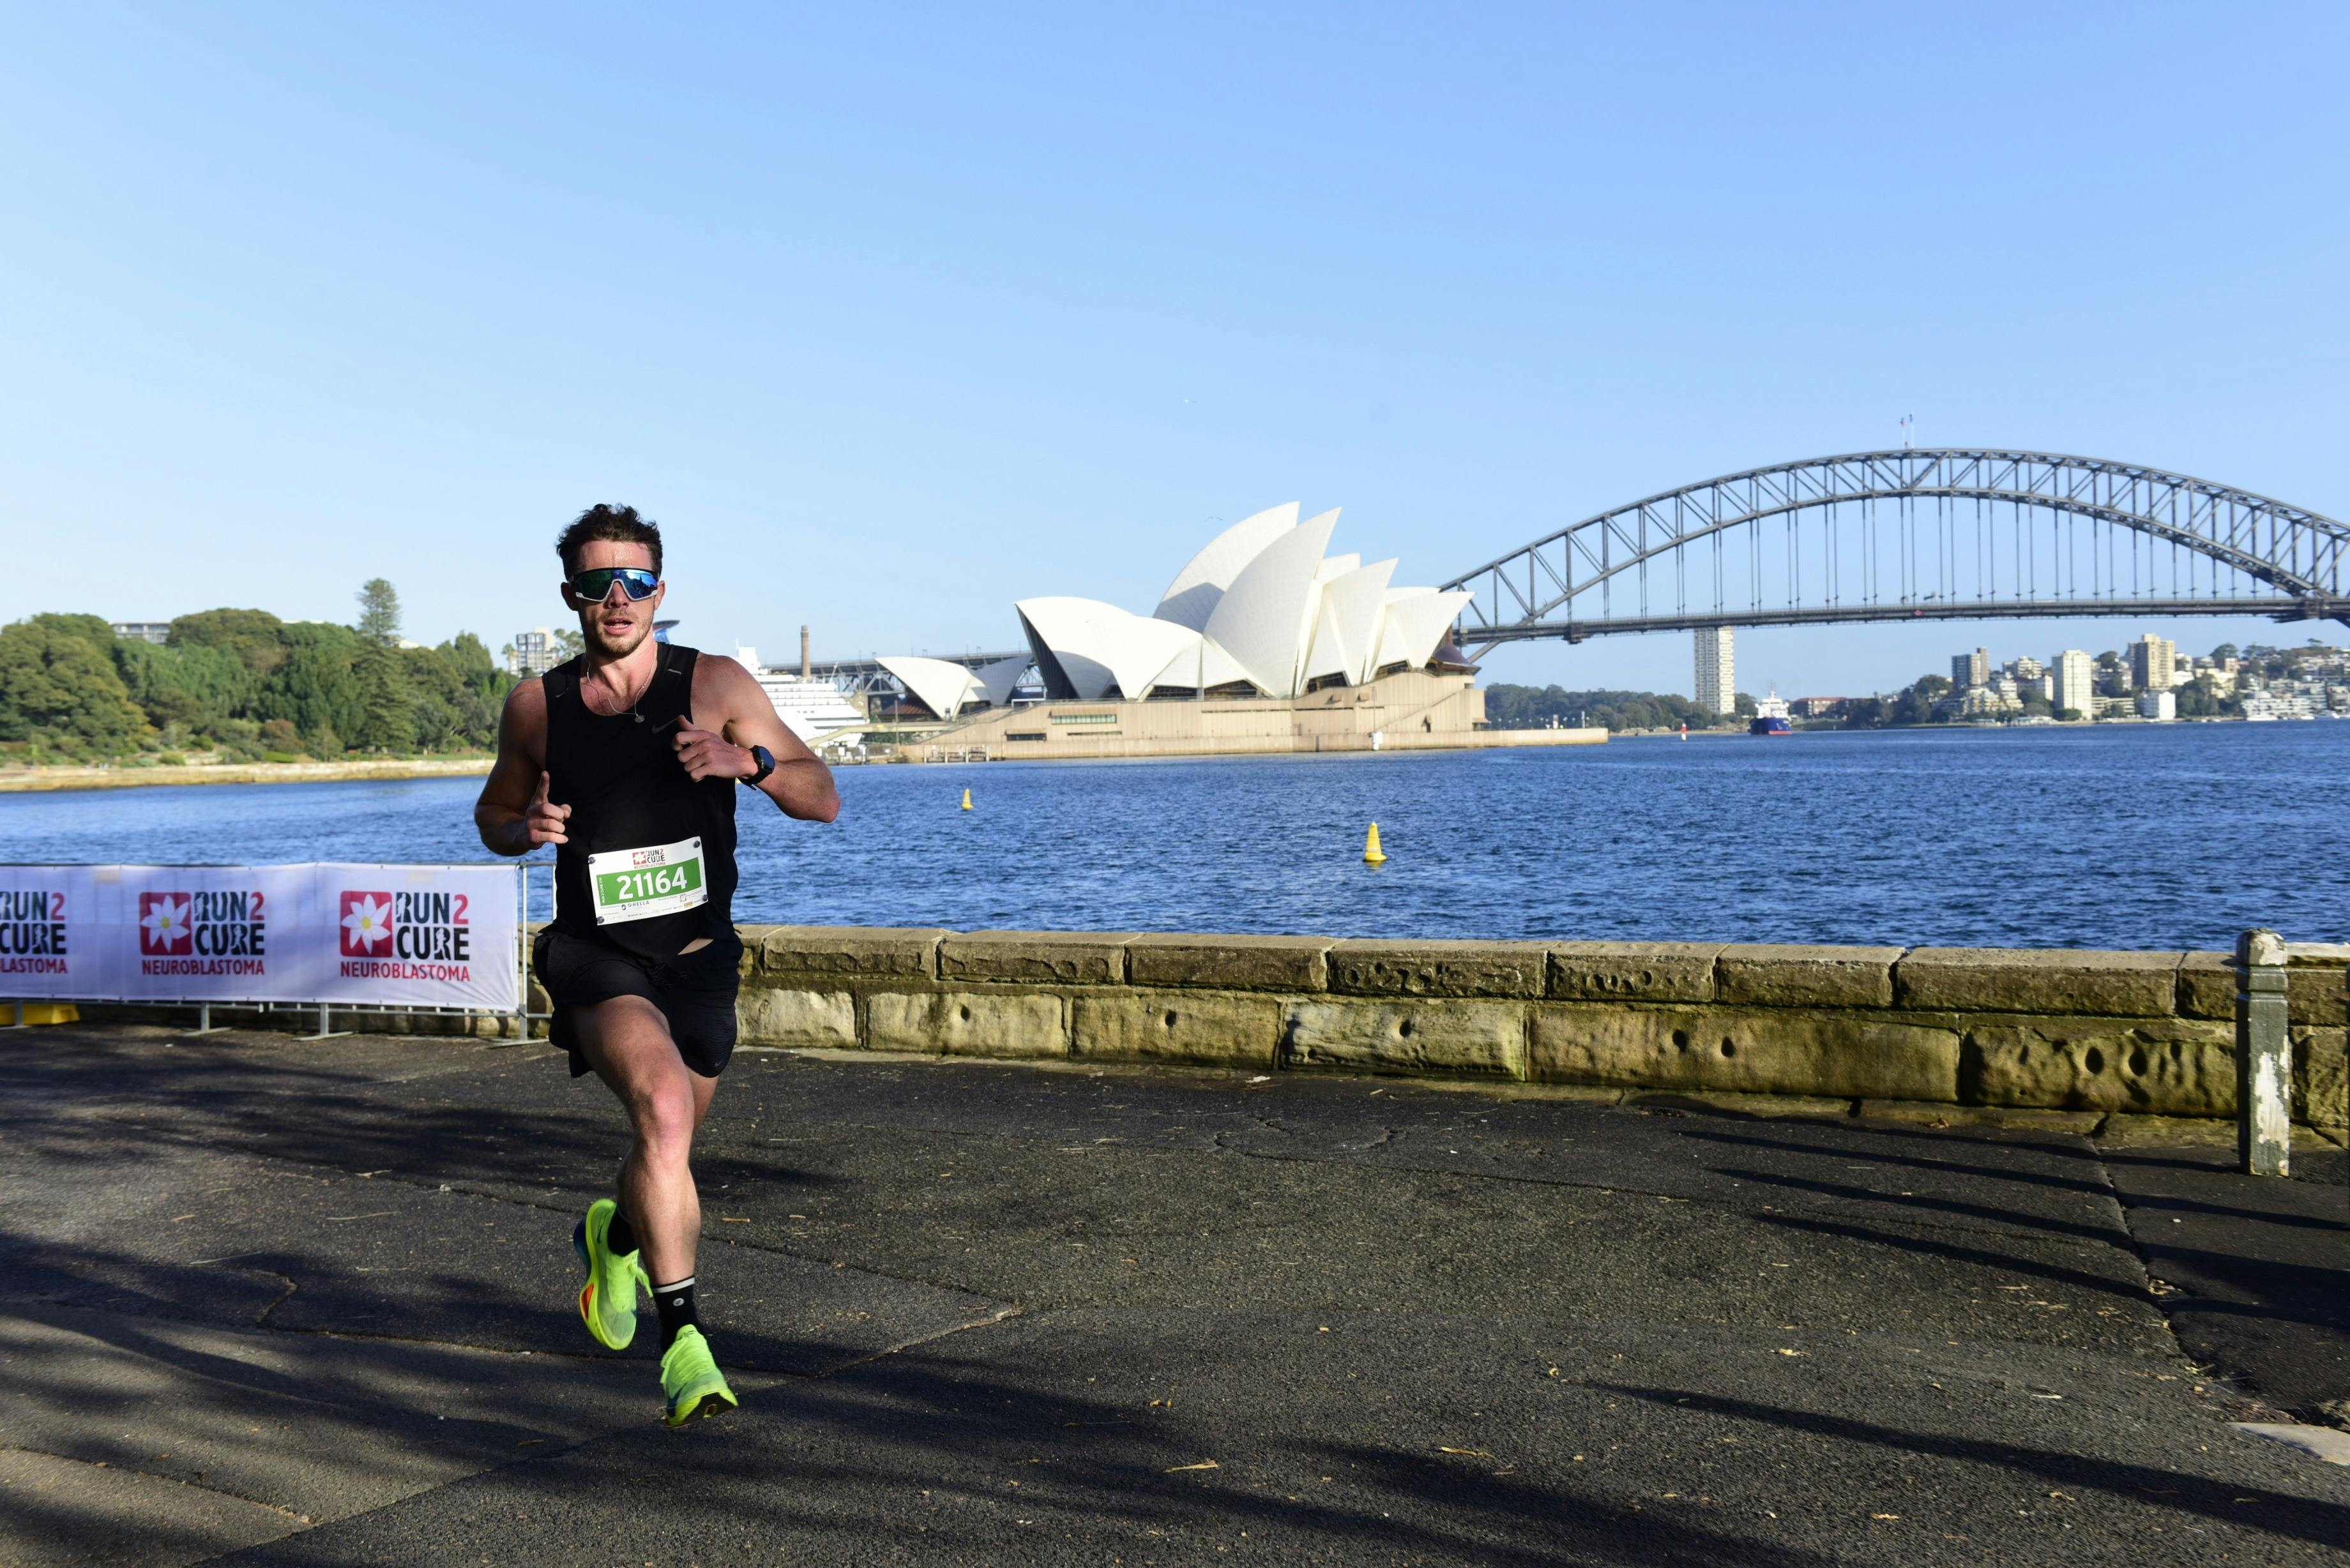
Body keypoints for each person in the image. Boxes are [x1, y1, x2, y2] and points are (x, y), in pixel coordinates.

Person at [475, 503, 840, 1426]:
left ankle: (614, 1239)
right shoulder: (539, 706)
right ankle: (685, 1344)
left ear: (659, 591)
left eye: (634, 581)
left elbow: (822, 797)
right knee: (665, 1110)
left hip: (699, 959)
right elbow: (494, 817)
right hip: (596, 954)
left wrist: (745, 761)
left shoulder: (713, 683)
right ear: (572, 597)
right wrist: (527, 829)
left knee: (665, 1143)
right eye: (598, 583)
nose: (618, 597)